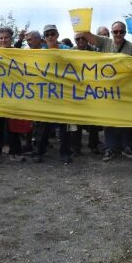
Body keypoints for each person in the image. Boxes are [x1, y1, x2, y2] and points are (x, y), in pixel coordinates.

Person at [79, 21, 132, 161]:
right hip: (106, 91)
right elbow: (88, 36)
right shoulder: (105, 42)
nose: (118, 34)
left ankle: (125, 147)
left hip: (124, 91)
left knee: (125, 121)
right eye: (115, 31)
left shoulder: (131, 48)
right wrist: (82, 23)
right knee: (108, 121)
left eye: (121, 31)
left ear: (125, 33)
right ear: (112, 33)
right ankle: (110, 148)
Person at [0, 27, 28, 164]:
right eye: (1, 38)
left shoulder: (18, 53)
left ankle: (15, 152)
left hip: (13, 94)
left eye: (6, 37)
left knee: (13, 126)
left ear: (11, 38)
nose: (4, 40)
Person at [33, 24, 73, 163]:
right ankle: (39, 151)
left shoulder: (67, 50)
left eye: (52, 34)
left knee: (64, 126)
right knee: (44, 126)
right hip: (46, 94)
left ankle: (65, 153)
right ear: (44, 38)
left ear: (57, 35)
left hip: (63, 93)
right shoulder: (40, 52)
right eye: (47, 35)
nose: (50, 37)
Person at [71, 32, 102, 155]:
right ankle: (76, 147)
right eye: (78, 38)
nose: (81, 40)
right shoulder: (70, 52)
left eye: (83, 38)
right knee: (76, 121)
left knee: (93, 120)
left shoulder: (95, 51)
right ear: (75, 40)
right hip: (75, 89)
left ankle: (93, 144)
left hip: (91, 89)